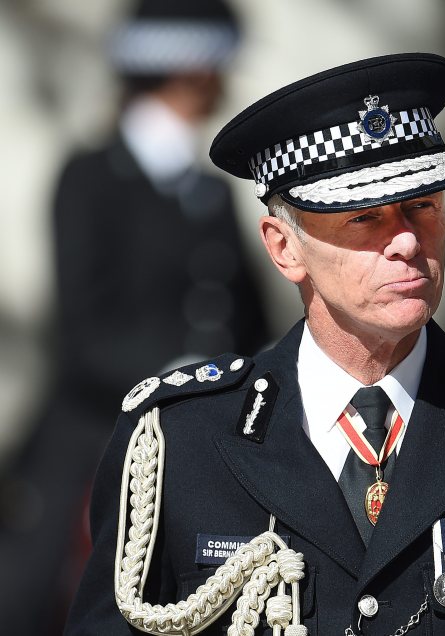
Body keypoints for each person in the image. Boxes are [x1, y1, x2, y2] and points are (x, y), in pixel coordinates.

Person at [65, 53, 445, 635]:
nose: (405, 242)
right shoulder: (176, 442)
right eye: (363, 218)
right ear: (284, 248)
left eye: (421, 206)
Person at [0, 2, 269, 633]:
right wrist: (181, 375)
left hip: (211, 427)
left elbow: (247, 320)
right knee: (30, 598)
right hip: (101, 429)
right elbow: (85, 334)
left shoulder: (208, 190)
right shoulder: (91, 177)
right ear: (192, 71)